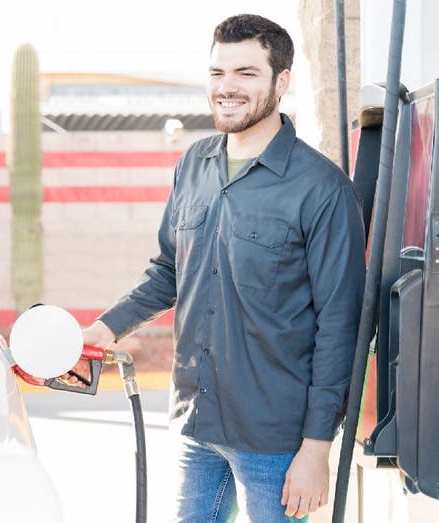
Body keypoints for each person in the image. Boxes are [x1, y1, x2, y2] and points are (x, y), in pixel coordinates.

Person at [66, 14, 365, 522]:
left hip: (277, 442)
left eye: (246, 73)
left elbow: (341, 326)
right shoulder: (194, 164)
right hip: (195, 423)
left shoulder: (322, 189)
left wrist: (317, 448)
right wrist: (102, 328)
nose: (226, 88)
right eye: (217, 74)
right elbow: (168, 271)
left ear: (281, 81)